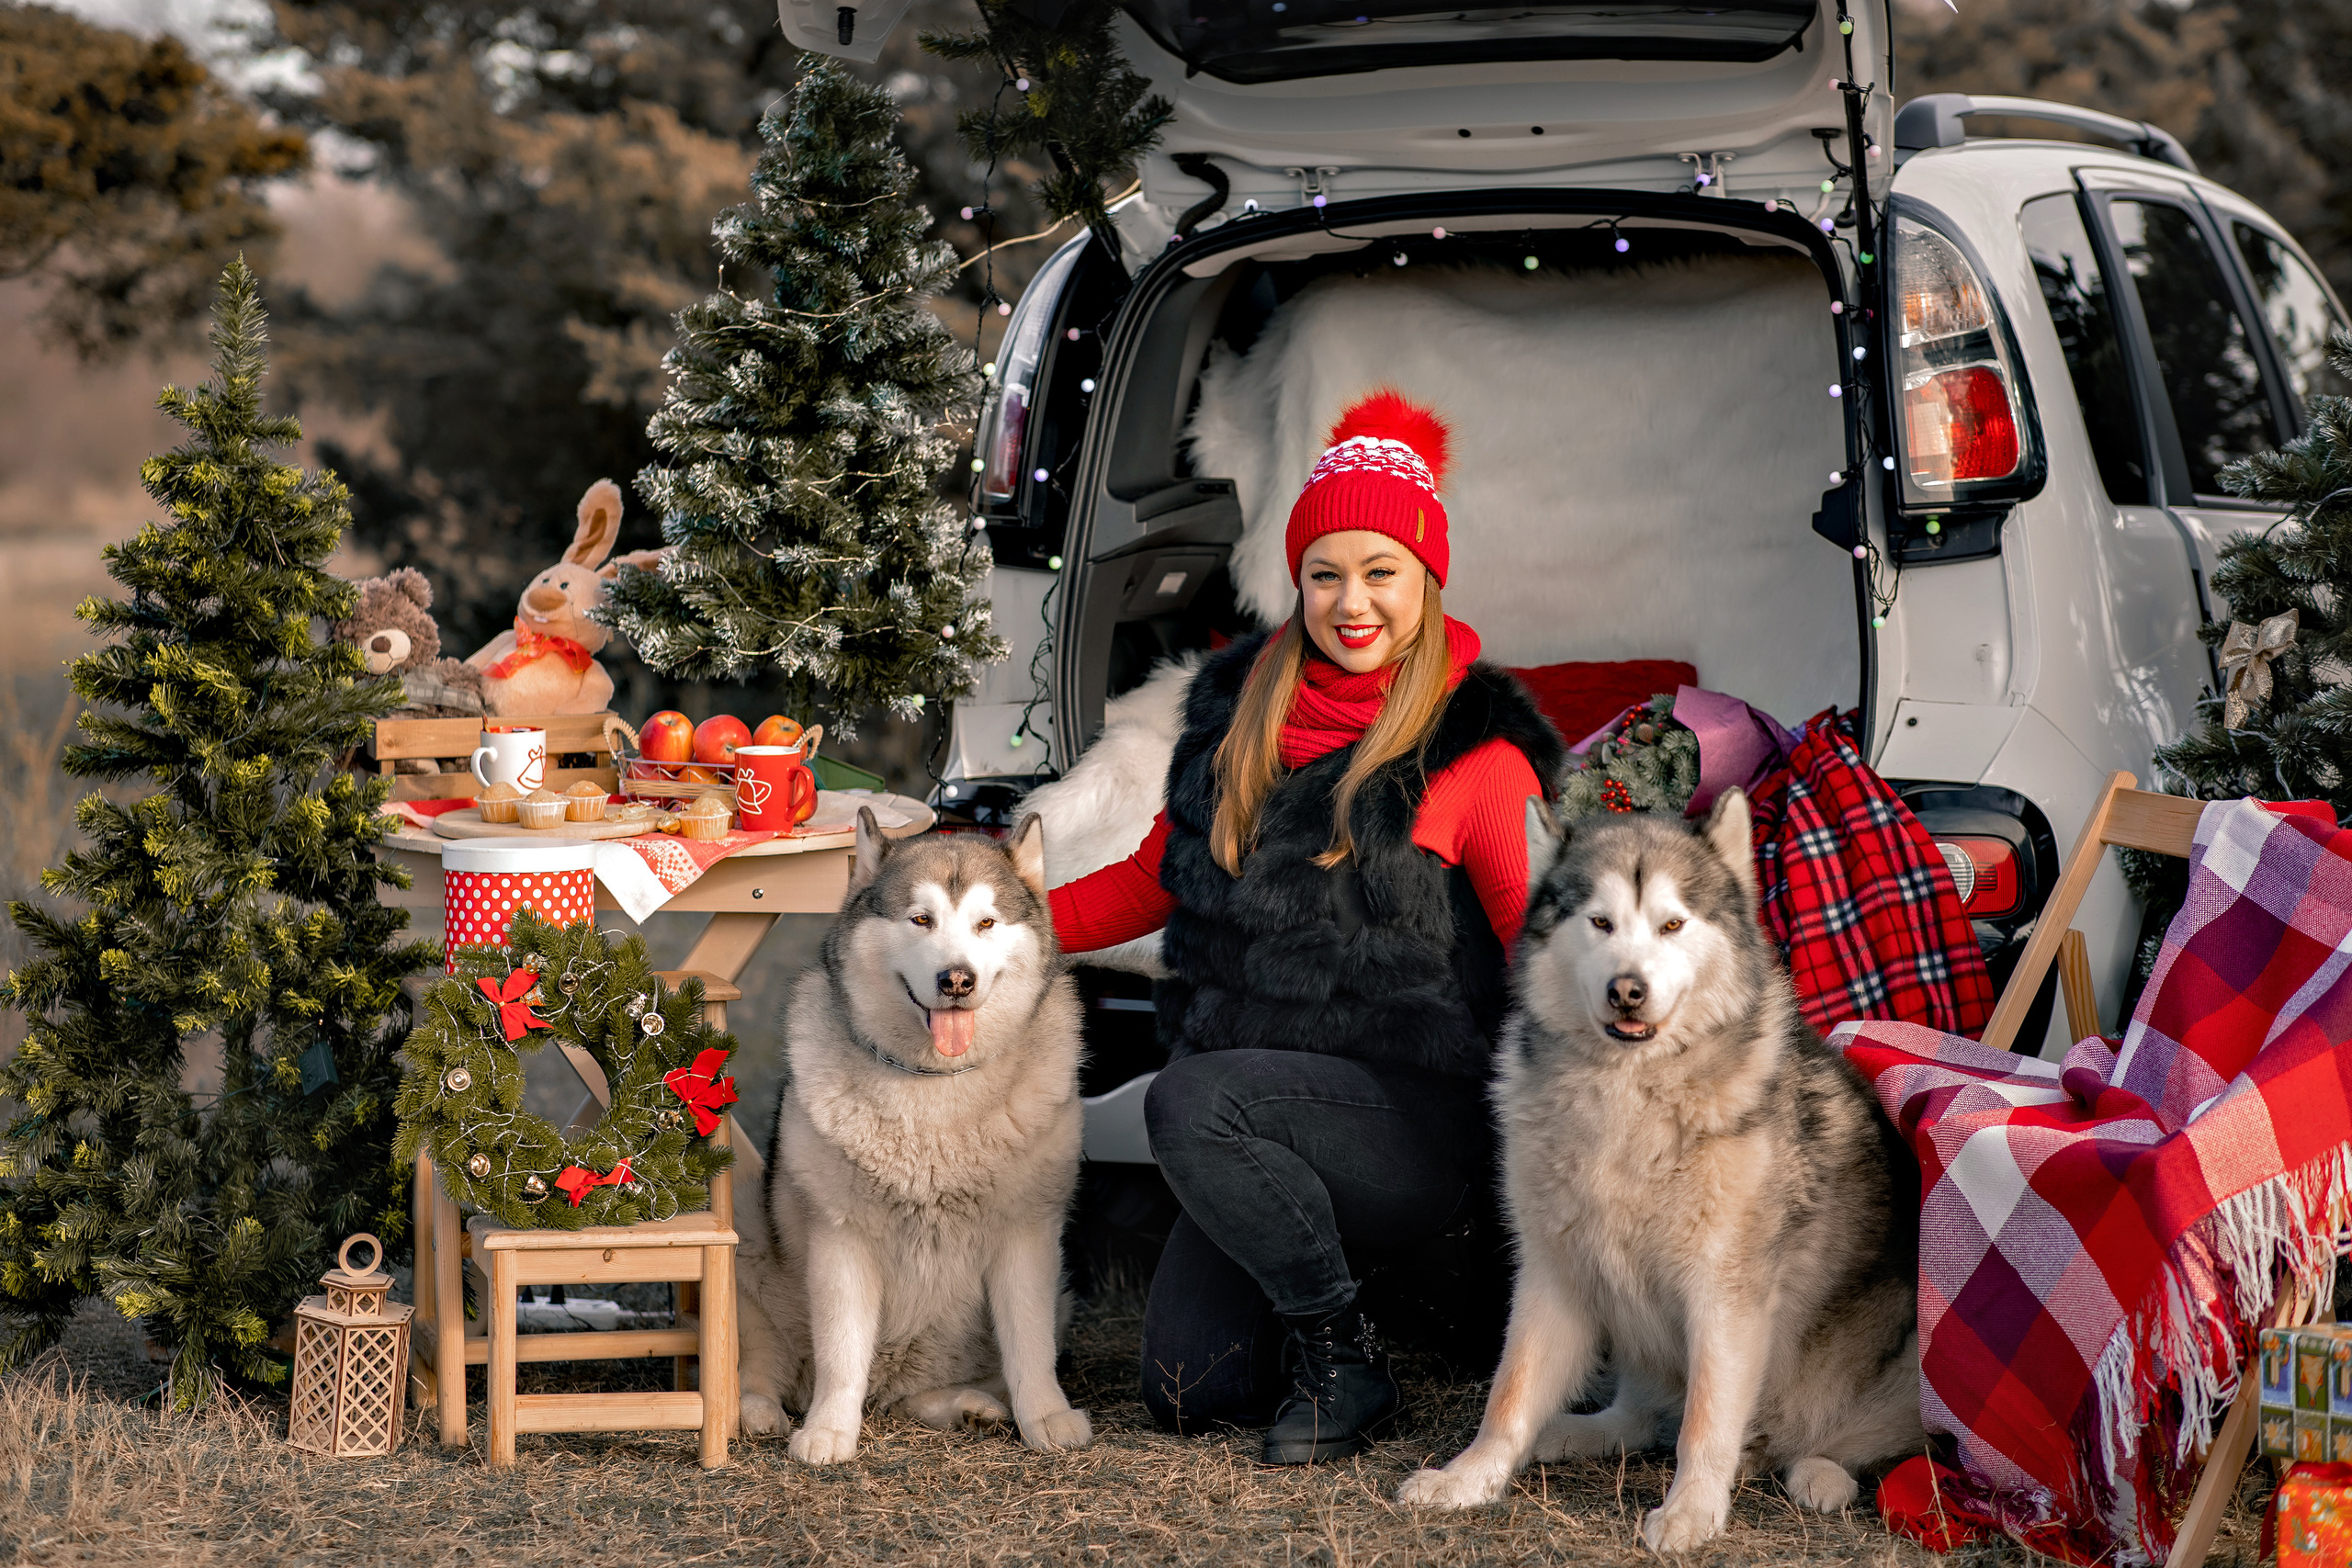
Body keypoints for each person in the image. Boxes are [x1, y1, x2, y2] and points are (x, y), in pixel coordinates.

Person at [1049, 390, 1565, 1464]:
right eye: (1325, 574)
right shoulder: (1237, 719)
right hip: (1258, 1119)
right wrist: (1004, 924)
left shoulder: (1476, 754)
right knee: (1189, 1391)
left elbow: (1546, 954)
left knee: (1188, 1096)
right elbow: (1150, 879)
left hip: (1411, 1119)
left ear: (1425, 581)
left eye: (1381, 572)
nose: (1351, 601)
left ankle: (1344, 1355)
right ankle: (1327, 1279)